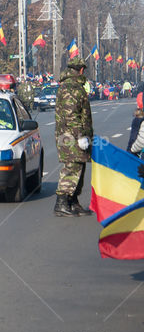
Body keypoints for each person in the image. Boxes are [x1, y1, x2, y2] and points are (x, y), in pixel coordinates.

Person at [54, 58, 93, 216]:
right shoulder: (72, 87)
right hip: (70, 138)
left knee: (79, 168)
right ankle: (61, 204)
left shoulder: (72, 86)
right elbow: (71, 116)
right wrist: (80, 136)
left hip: (71, 136)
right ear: (81, 70)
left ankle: (73, 202)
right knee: (71, 169)